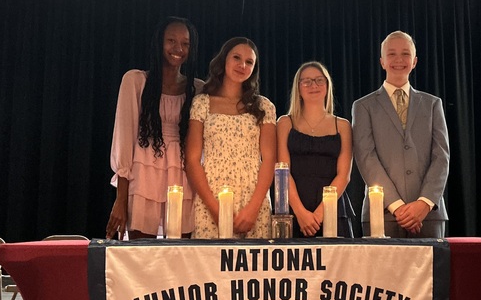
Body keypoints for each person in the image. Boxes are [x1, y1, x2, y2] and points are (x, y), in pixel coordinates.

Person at [106, 17, 203, 239]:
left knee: (181, 257)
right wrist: (120, 200)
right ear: (159, 42)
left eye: (185, 43)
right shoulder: (135, 81)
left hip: (183, 178)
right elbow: (124, 139)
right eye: (171, 40)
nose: (178, 48)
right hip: (144, 176)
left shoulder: (198, 89)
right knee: (141, 255)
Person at [352, 31, 450, 238]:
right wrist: (397, 207)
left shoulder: (433, 104)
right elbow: (366, 157)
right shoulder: (363, 106)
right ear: (382, 61)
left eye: (405, 54)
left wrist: (423, 204)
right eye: (392, 54)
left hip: (429, 216)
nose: (399, 59)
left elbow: (441, 156)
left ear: (414, 61)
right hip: (382, 215)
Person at [185, 37, 277, 239]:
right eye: (237, 57)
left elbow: (269, 160)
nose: (242, 65)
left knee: (254, 268)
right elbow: (192, 160)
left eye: (249, 62)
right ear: (224, 60)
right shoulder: (202, 103)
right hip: (212, 200)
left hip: (253, 200)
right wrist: (216, 210)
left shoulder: (264, 107)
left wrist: (253, 208)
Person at [277, 62, 355, 238]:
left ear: (327, 85)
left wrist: (320, 214)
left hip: (333, 210)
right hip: (294, 210)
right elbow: (283, 172)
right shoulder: (284, 123)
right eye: (307, 81)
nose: (314, 85)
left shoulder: (343, 126)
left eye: (319, 80)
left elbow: (344, 176)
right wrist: (301, 212)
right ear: (298, 88)